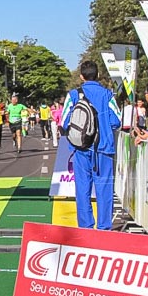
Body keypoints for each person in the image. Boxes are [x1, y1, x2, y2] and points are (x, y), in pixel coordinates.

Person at [62, 61, 120, 230]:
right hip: (103, 149)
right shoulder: (108, 95)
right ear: (98, 75)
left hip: (81, 148)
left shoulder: (73, 94)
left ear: (81, 76)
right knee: (104, 192)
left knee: (82, 190)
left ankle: (86, 227)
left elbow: (65, 122)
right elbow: (116, 120)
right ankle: (104, 229)